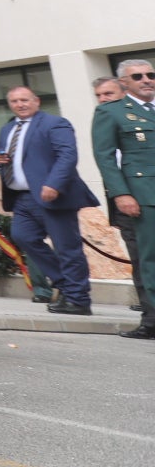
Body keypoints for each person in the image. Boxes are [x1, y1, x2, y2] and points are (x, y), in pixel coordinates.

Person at [0, 86, 98, 315]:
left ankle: (79, 299)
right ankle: (65, 286)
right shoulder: (7, 128)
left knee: (66, 247)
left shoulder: (55, 123)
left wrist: (54, 184)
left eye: (24, 100)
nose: (20, 104)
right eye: (14, 101)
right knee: (23, 237)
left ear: (36, 101)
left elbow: (67, 155)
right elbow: (8, 158)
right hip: (21, 198)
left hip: (52, 195)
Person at [94, 60, 155, 339]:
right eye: (138, 76)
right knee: (150, 259)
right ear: (125, 83)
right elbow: (105, 157)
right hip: (143, 195)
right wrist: (121, 193)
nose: (146, 79)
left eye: (150, 74)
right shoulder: (112, 112)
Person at [95, 75, 142, 311]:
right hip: (126, 204)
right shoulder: (105, 124)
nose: (103, 100)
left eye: (108, 94)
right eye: (99, 96)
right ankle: (148, 307)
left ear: (124, 94)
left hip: (145, 196)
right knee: (138, 256)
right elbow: (107, 162)